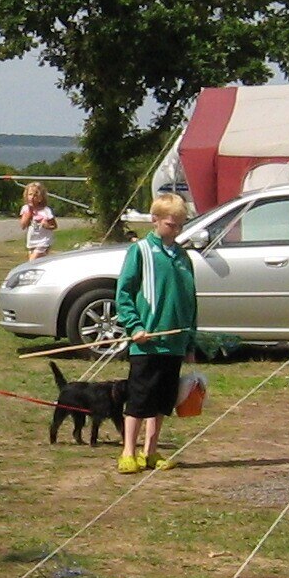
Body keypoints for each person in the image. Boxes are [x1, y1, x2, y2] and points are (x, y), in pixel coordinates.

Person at [114, 193, 199, 474]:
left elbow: (190, 300)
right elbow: (124, 293)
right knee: (139, 400)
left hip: (174, 343)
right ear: (155, 221)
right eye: (171, 225)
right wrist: (135, 326)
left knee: (163, 402)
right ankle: (128, 451)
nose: (176, 231)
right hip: (147, 343)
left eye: (180, 225)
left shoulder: (183, 257)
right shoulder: (140, 251)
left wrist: (189, 339)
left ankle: (151, 451)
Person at [18, 182, 58, 261]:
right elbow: (23, 226)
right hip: (32, 241)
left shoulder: (46, 210)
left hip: (43, 241)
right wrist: (29, 214)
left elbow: (54, 226)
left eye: (35, 195)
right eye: (30, 194)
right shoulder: (25, 209)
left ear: (41, 198)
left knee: (31, 263)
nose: (32, 197)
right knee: (36, 266)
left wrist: (46, 225)